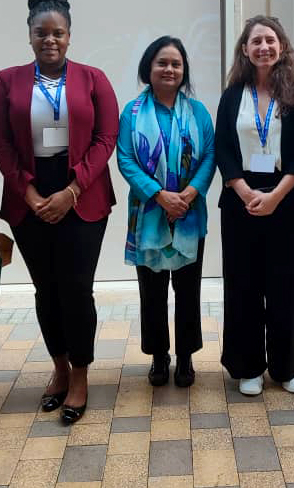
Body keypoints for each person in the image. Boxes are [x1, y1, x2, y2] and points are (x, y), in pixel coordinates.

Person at [0, 0, 118, 424]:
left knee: (77, 289)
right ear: (29, 35)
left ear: (69, 35)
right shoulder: (7, 82)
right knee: (47, 289)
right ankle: (59, 369)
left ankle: (80, 376)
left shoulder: (93, 79)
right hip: (31, 199)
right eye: (41, 32)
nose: (50, 40)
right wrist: (28, 191)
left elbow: (106, 139)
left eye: (58, 33)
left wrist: (73, 190)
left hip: (82, 196)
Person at [215, 15, 294, 396]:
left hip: (285, 201)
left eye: (270, 40)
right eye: (256, 41)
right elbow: (223, 148)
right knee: (243, 285)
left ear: (282, 46)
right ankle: (248, 367)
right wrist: (244, 191)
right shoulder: (232, 95)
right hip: (240, 203)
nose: (263, 47)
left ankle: (287, 367)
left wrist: (275, 196)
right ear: (245, 49)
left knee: (285, 285)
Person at [116, 36, 215, 387]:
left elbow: (209, 158)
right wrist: (160, 195)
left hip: (189, 214)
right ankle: (159, 356)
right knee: (153, 292)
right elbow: (125, 159)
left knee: (188, 290)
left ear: (183, 70)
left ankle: (186, 356)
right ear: (148, 68)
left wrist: (186, 195)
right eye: (162, 62)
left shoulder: (198, 112)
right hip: (149, 213)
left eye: (176, 63)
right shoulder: (131, 112)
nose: (169, 69)